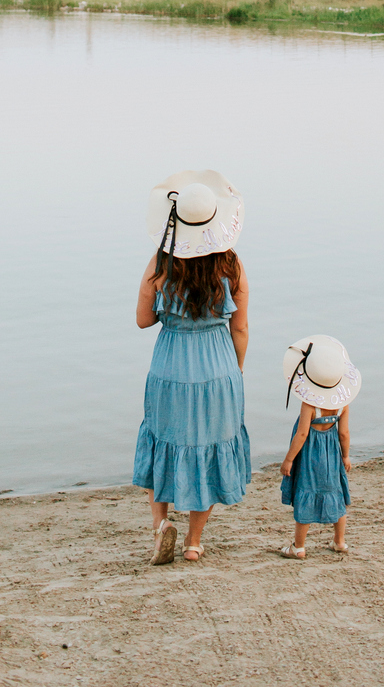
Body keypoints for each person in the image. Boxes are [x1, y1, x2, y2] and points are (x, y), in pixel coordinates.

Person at [133, 170, 251, 564]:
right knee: (209, 449)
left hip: (171, 366)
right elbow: (241, 327)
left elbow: (143, 320)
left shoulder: (162, 262)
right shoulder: (231, 265)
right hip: (218, 368)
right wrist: (235, 371)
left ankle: (161, 524)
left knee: (163, 441)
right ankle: (194, 543)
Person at [278, 335, 361, 558]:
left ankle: (299, 547)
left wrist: (288, 459)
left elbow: (303, 434)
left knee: (306, 493)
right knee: (336, 494)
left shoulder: (310, 404)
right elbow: (343, 433)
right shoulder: (342, 403)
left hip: (309, 457)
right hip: (332, 454)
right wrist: (346, 456)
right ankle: (340, 541)